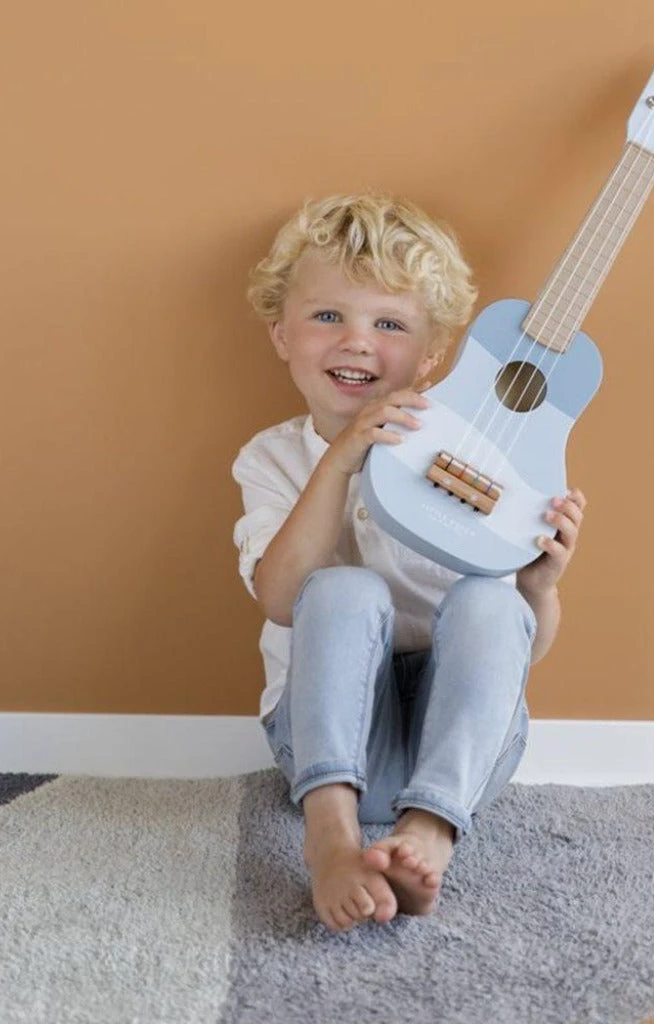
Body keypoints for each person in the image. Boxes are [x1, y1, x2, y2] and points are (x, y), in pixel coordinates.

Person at [231, 191, 587, 933]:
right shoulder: (271, 457)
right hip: (324, 734)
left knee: (492, 602)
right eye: (328, 316)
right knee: (343, 588)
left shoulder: (478, 461)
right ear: (281, 335)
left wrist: (539, 588)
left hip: (453, 749)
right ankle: (331, 837)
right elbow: (281, 598)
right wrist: (341, 459)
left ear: (431, 359)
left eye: (389, 325)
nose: (357, 343)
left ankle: (429, 832)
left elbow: (521, 651)